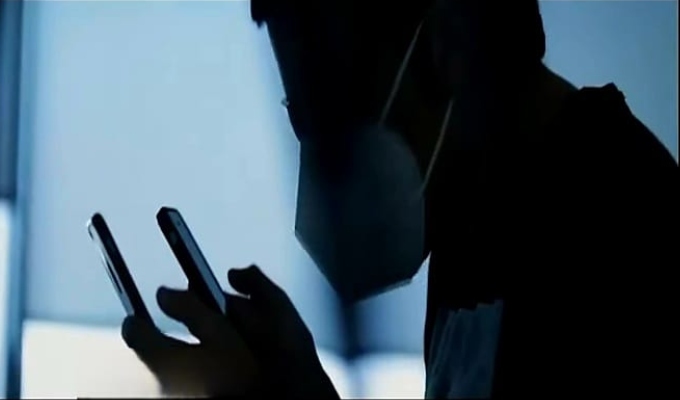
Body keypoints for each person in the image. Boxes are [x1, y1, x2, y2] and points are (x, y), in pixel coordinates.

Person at [121, 0, 678, 397]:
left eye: (332, 112)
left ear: (446, 48)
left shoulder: (626, 231)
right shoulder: (474, 221)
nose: (323, 157)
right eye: (300, 118)